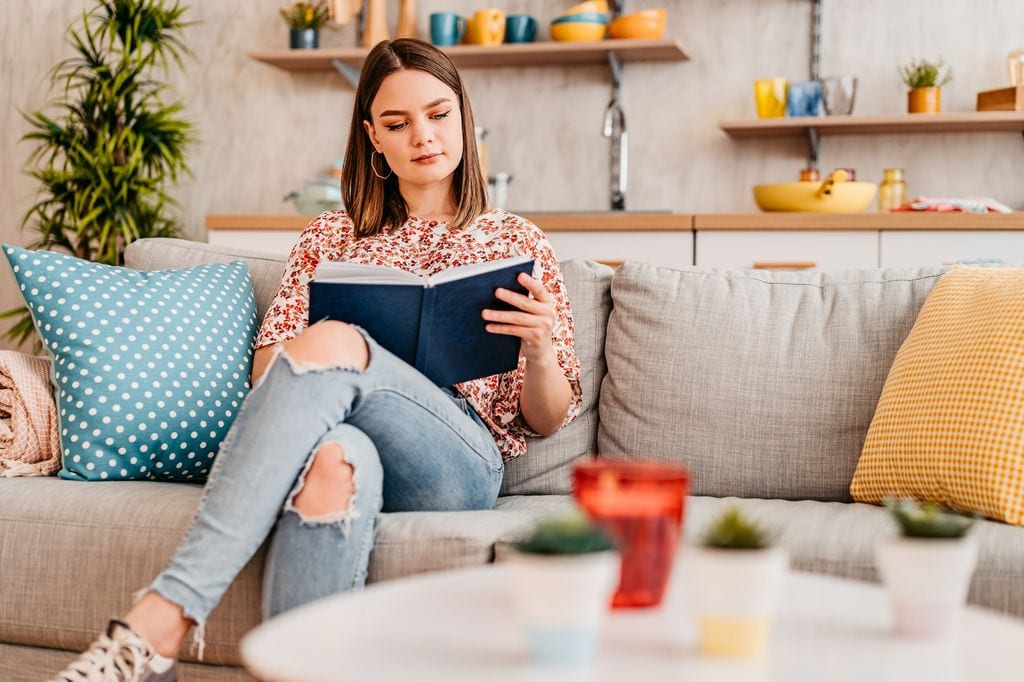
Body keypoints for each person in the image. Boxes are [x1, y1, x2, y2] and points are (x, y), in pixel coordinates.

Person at [52, 38, 582, 682]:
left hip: (456, 463)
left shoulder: (516, 240)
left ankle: (168, 613)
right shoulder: (329, 237)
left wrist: (538, 348)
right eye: (397, 123)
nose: (423, 135)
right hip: (347, 437)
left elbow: (547, 419)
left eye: (439, 115)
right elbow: (272, 375)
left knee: (334, 341)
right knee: (332, 462)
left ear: (464, 118)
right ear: (372, 138)